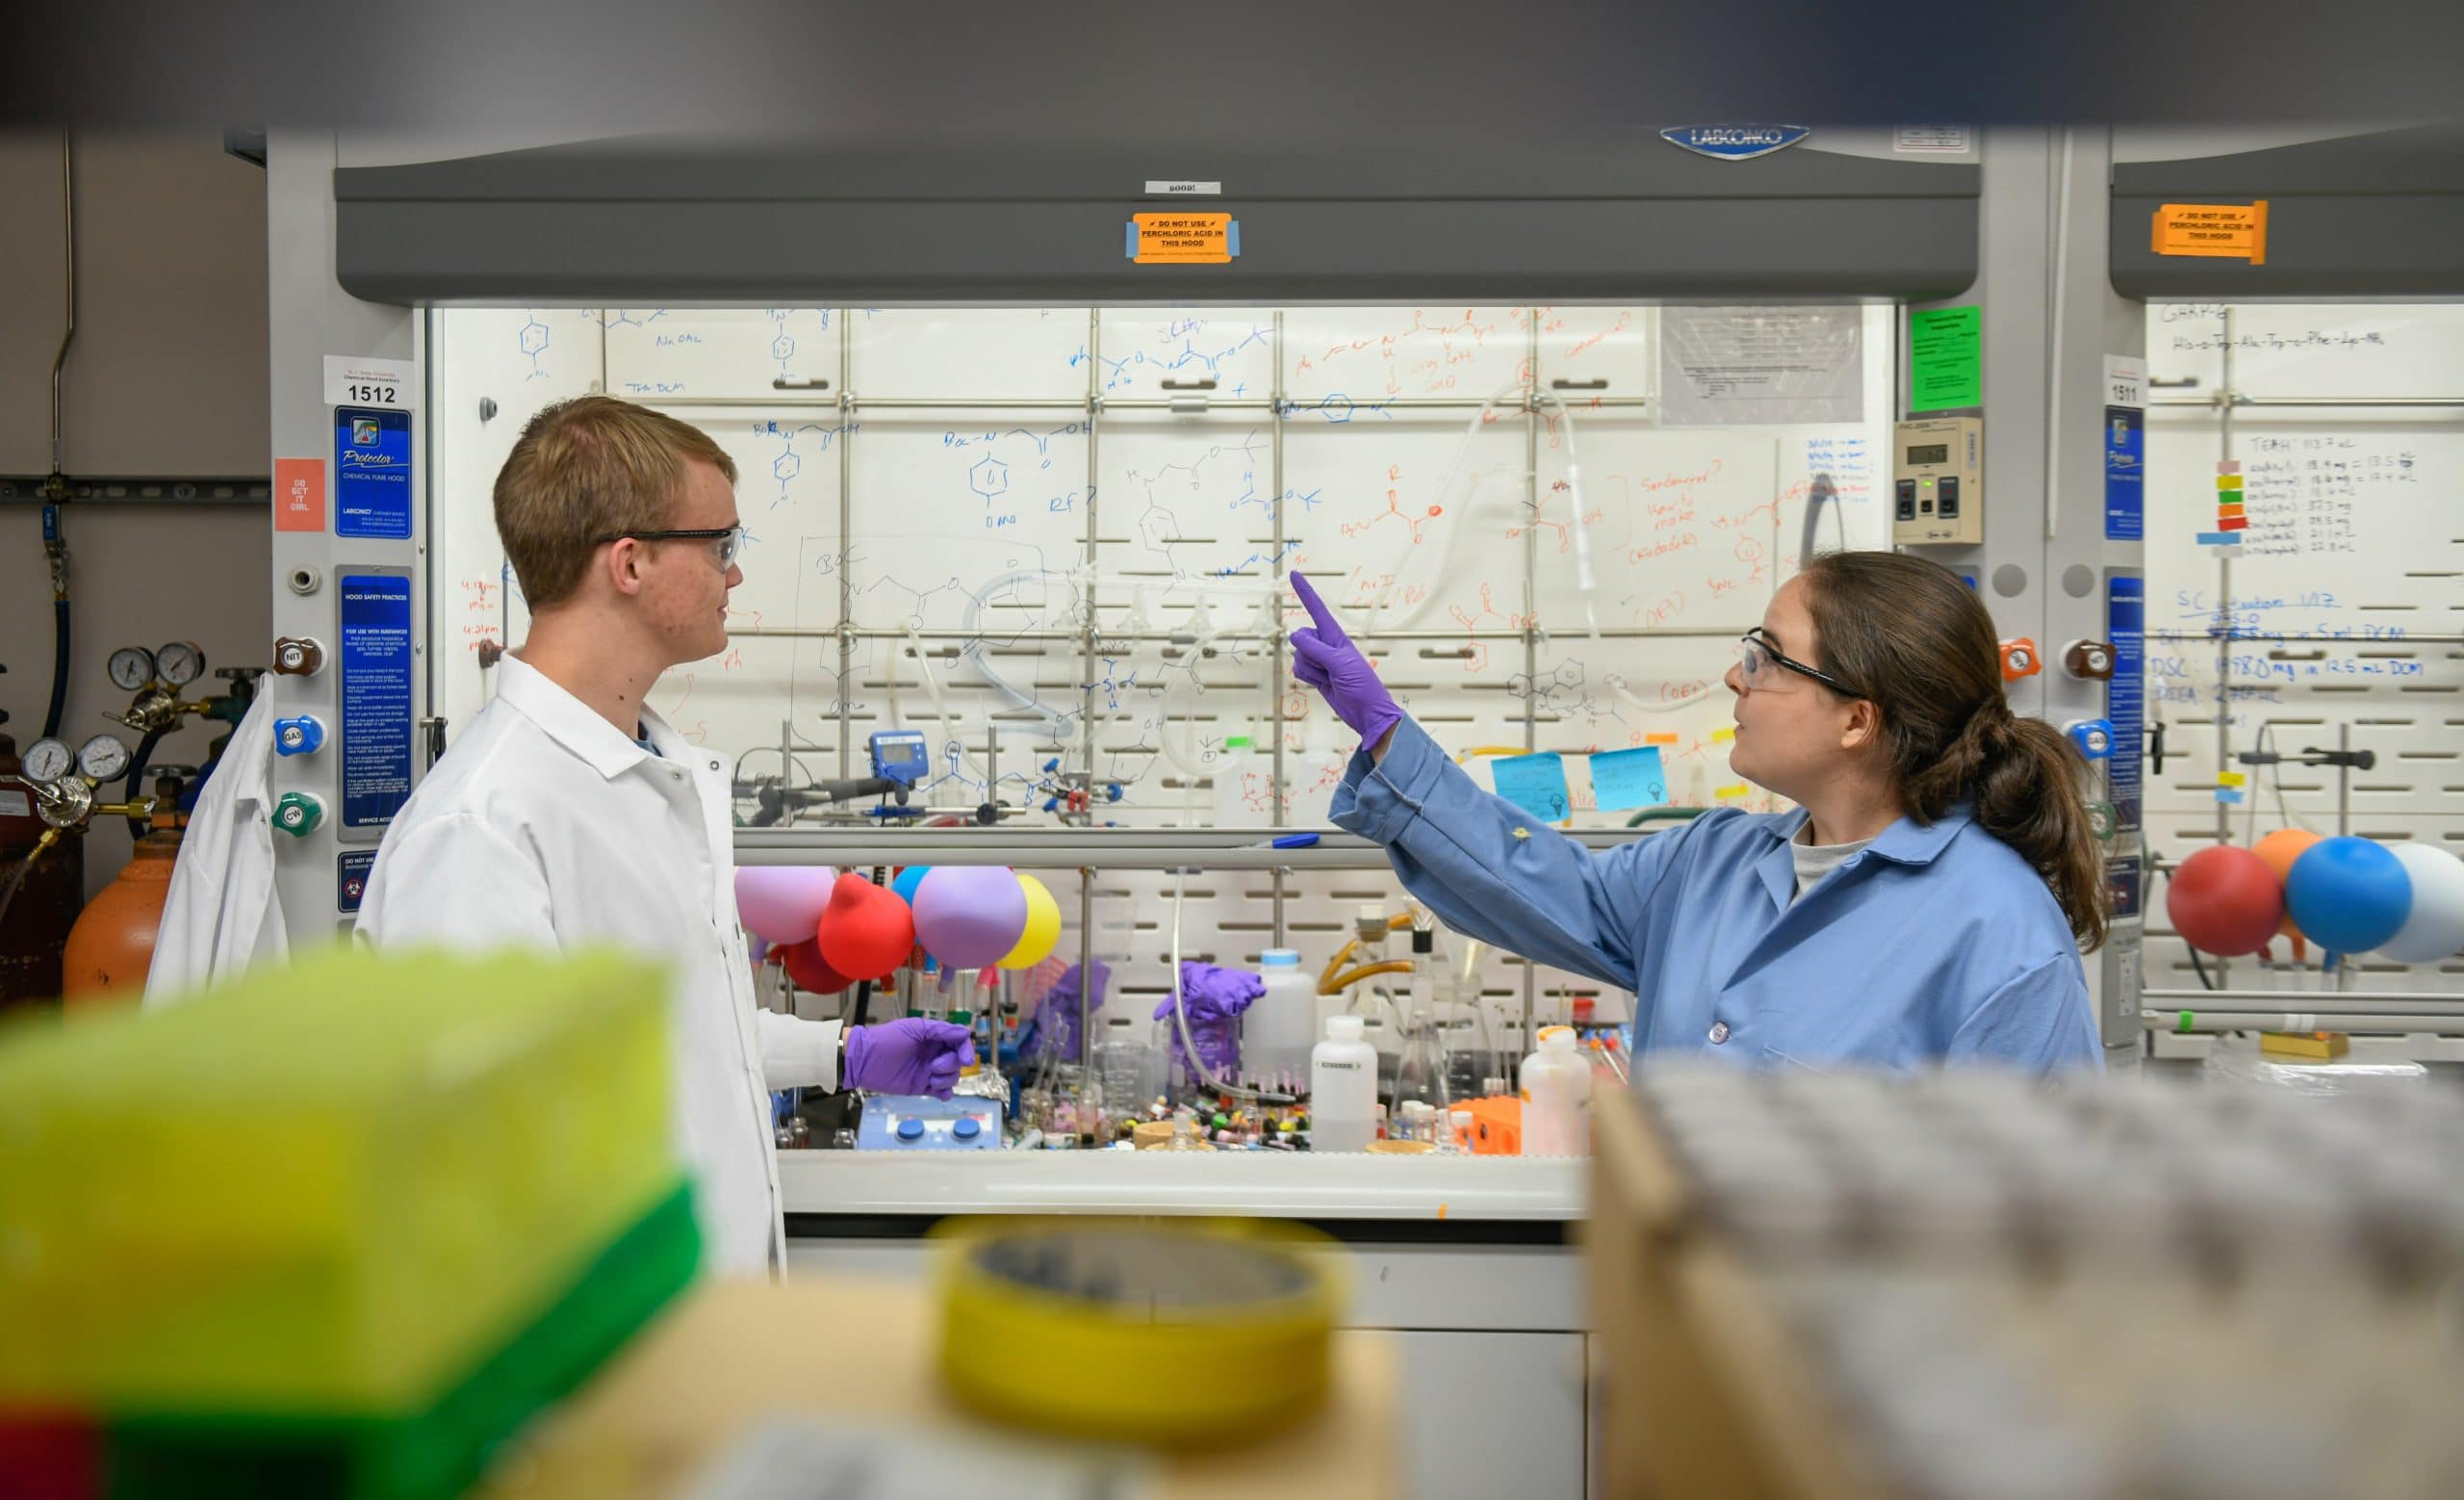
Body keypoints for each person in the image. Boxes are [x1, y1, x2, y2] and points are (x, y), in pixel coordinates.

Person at [356, 397, 970, 1275]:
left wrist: (840, 1051)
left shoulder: (647, 771)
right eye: (720, 545)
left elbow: (669, 1034)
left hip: (699, 1334)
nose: (735, 574)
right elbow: (485, 1162)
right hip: (611, 1365)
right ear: (631, 563)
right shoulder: (484, 828)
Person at [1286, 555, 2104, 1073]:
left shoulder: (1999, 933)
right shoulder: (1714, 861)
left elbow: (2036, 1228)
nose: (1735, 677)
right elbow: (1538, 884)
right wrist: (1389, 737)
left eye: (1768, 658)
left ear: (1859, 719)